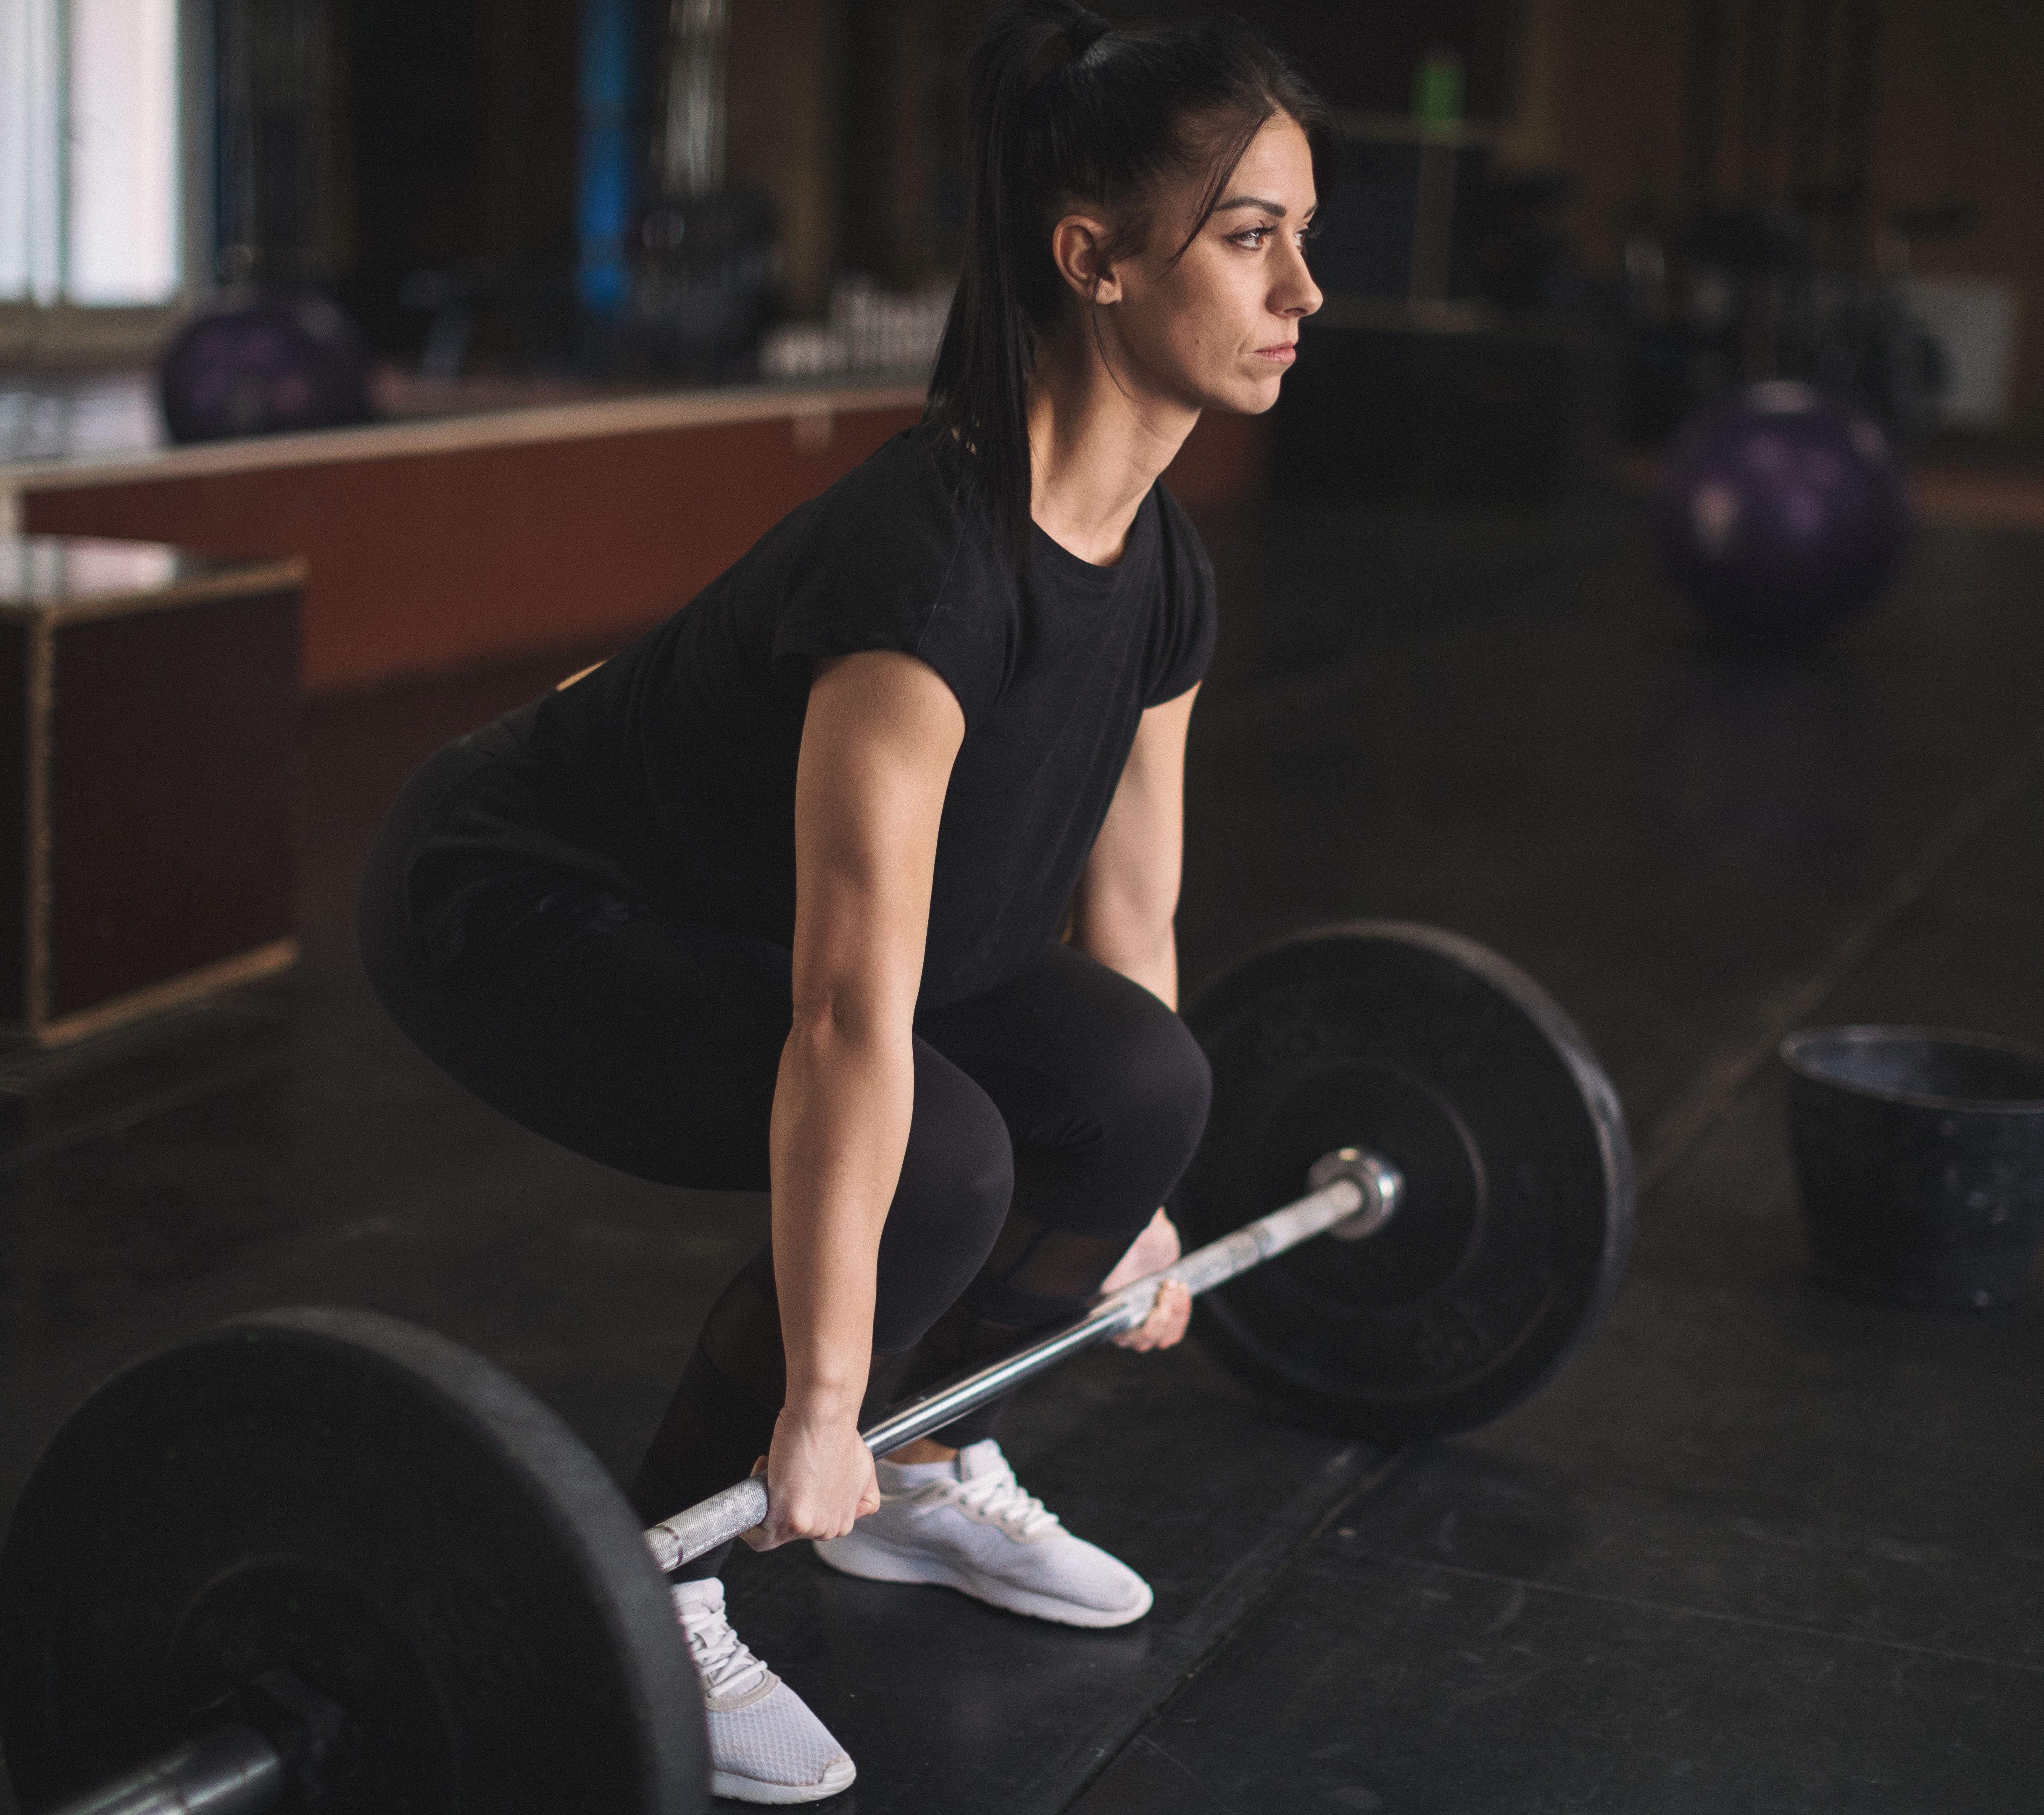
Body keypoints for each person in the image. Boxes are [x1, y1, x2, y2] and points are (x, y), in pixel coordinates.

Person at [358, 2, 1324, 1801]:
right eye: (1254, 239)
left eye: (1300, 240)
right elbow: (845, 1023)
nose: (1304, 294)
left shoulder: (1159, 559)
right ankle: (663, 1585)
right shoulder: (932, 569)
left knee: (1149, 1090)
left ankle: (934, 1463)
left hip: (735, 913)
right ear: (1093, 262)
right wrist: (815, 1399)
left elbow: (1132, 922)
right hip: (520, 904)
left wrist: (1144, 1209)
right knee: (945, 1157)